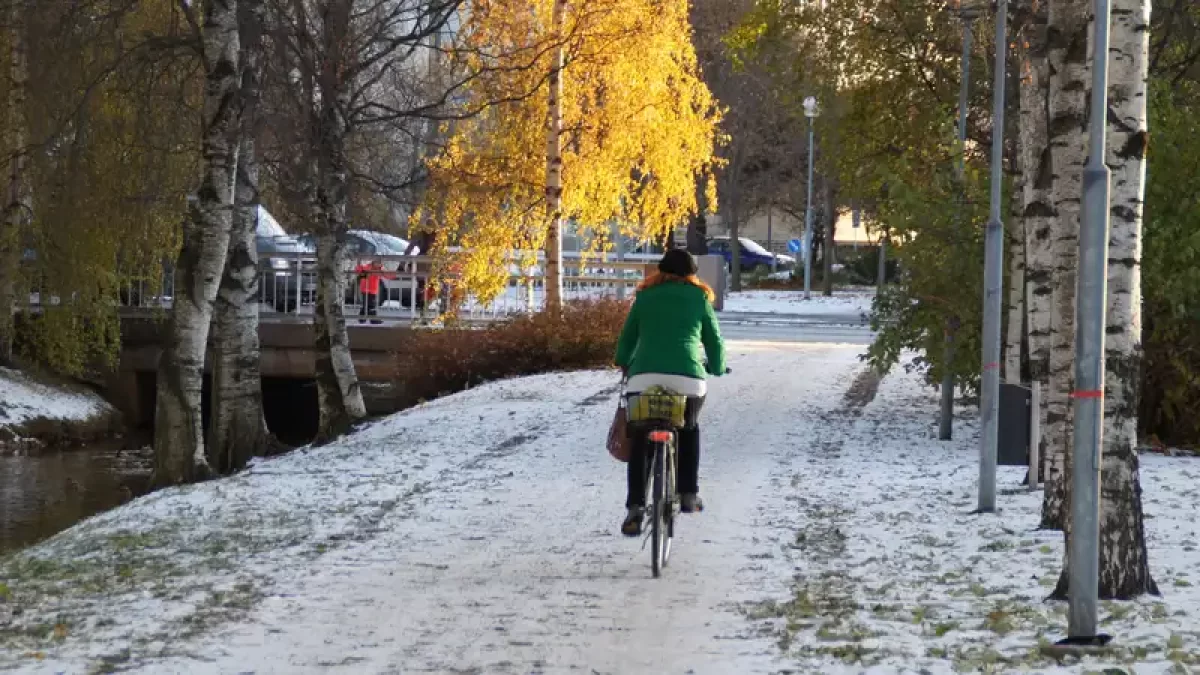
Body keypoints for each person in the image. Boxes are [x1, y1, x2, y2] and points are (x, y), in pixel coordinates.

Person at [614, 248, 726, 536]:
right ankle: (688, 493)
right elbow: (714, 342)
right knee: (689, 428)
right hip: (688, 379)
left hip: (644, 379)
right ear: (692, 274)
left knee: (640, 438)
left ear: (661, 271)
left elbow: (627, 340)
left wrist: (624, 362)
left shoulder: (645, 297)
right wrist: (716, 367)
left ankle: (635, 509)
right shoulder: (700, 298)